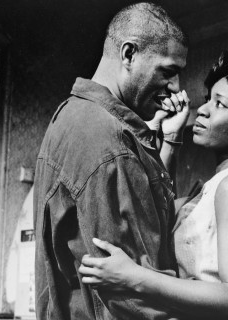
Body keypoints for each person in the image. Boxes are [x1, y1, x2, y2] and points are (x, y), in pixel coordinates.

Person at [78, 50, 228, 319]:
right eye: (207, 99)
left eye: (220, 104)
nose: (202, 110)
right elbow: (156, 211)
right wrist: (173, 137)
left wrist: (133, 277)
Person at [34, 2, 191, 319]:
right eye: (168, 71)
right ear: (129, 54)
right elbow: (132, 301)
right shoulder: (107, 141)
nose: (175, 86)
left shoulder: (71, 115)